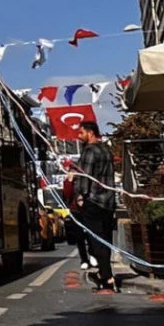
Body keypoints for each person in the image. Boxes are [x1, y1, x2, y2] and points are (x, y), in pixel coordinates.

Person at [72, 121, 117, 293]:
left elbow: (85, 175)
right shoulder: (106, 150)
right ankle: (105, 273)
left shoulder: (89, 151)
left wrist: (81, 195)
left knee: (95, 239)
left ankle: (107, 278)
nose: (79, 135)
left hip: (94, 200)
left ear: (90, 133)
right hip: (108, 201)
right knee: (105, 239)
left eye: (81, 132)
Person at [62, 169, 97, 272]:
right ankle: (84, 260)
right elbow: (67, 195)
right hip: (75, 211)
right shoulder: (68, 182)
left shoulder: (85, 179)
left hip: (87, 210)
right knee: (79, 237)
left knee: (91, 234)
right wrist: (69, 181)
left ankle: (92, 254)